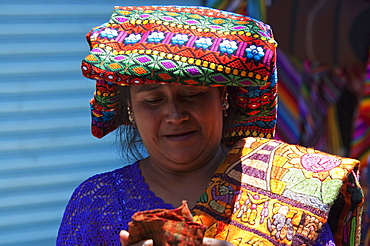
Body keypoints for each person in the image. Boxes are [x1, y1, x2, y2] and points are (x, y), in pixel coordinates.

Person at [56, 5, 364, 246]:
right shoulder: (96, 204)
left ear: (224, 98)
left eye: (193, 96)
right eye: (152, 101)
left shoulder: (291, 187)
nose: (175, 115)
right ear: (130, 110)